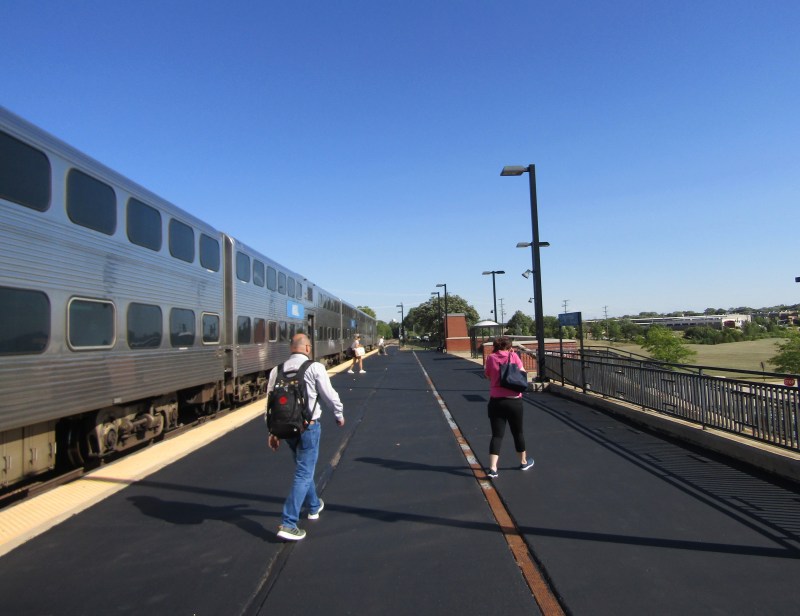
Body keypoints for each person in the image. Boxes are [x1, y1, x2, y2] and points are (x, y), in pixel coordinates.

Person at [266, 333, 345, 541]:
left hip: (285, 429)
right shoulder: (315, 368)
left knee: (303, 468)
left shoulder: (276, 371)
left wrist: (272, 432)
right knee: (303, 472)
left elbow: (270, 403)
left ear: (291, 348)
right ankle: (289, 522)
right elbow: (329, 394)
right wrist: (338, 414)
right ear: (308, 348)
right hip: (308, 428)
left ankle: (313, 505)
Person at [483, 336, 533, 478]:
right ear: (509, 347)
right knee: (518, 433)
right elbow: (523, 373)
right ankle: (523, 462)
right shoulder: (513, 356)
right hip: (514, 401)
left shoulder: (491, 358)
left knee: (497, 435)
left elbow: (487, 375)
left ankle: (493, 468)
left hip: (496, 401)